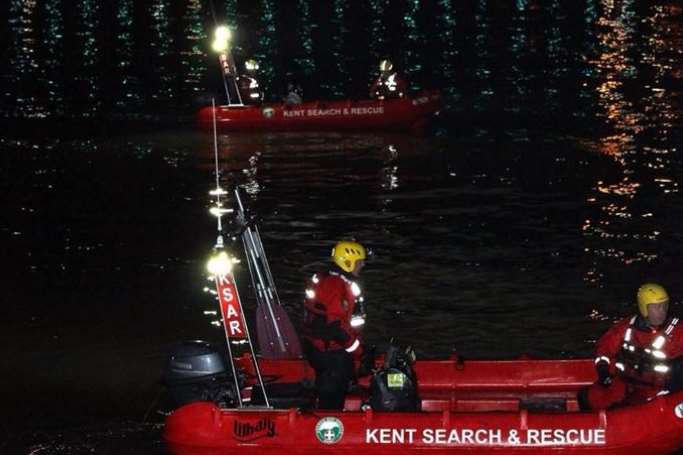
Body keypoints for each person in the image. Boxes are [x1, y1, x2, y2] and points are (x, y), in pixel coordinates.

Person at [579, 283, 683, 410]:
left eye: (664, 306)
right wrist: (603, 371)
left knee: (627, 411)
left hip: (657, 391)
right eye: (656, 307)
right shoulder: (626, 327)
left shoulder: (677, 331)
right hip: (625, 385)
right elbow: (604, 349)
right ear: (644, 308)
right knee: (588, 397)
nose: (662, 311)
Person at [302, 240, 367, 409]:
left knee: (333, 386)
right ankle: (328, 422)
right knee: (331, 399)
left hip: (323, 349)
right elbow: (336, 326)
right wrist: (358, 351)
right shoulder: (335, 285)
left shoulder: (331, 280)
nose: (362, 265)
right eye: (359, 262)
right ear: (348, 262)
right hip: (331, 353)